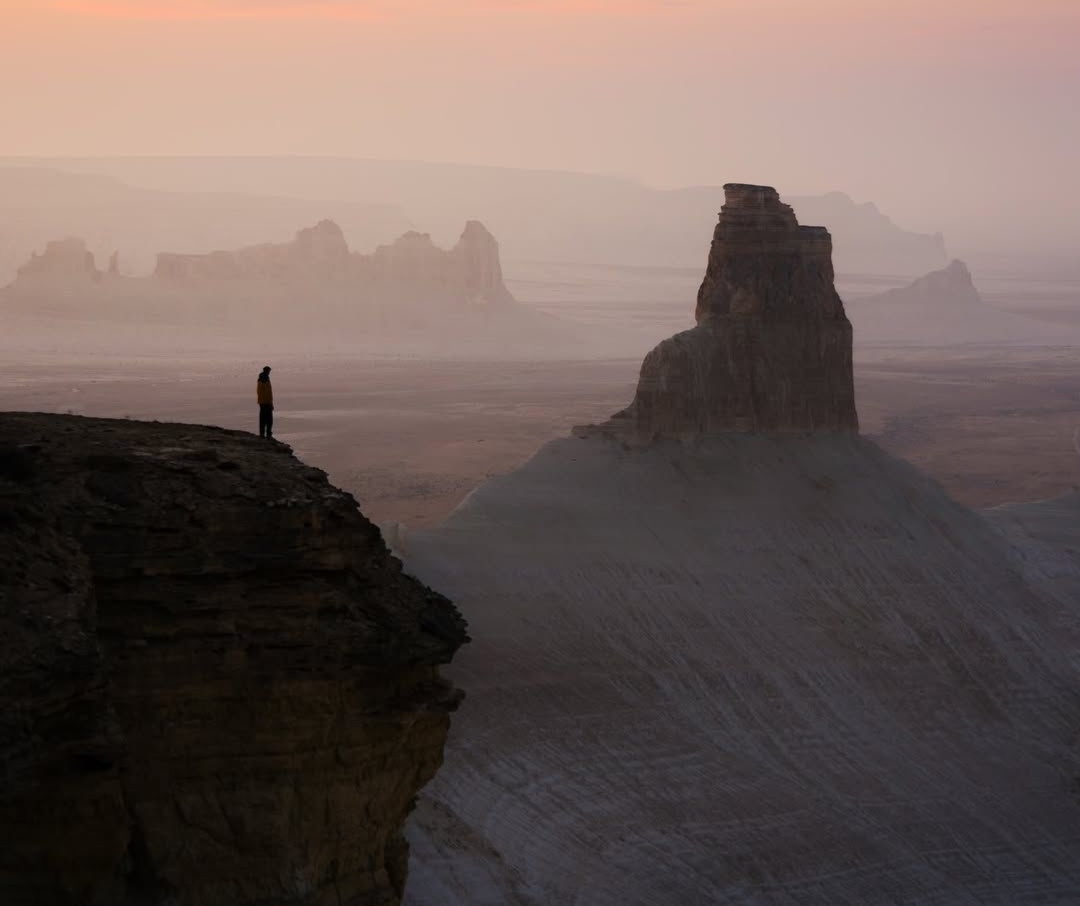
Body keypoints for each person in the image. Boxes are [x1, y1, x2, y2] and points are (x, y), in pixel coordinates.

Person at [256, 365, 274, 438]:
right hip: (266, 402)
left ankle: (262, 433)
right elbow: (267, 393)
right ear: (267, 371)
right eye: (269, 371)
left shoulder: (260, 379)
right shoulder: (265, 379)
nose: (269, 372)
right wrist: (270, 403)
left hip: (262, 402)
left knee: (262, 418)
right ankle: (268, 434)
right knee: (269, 419)